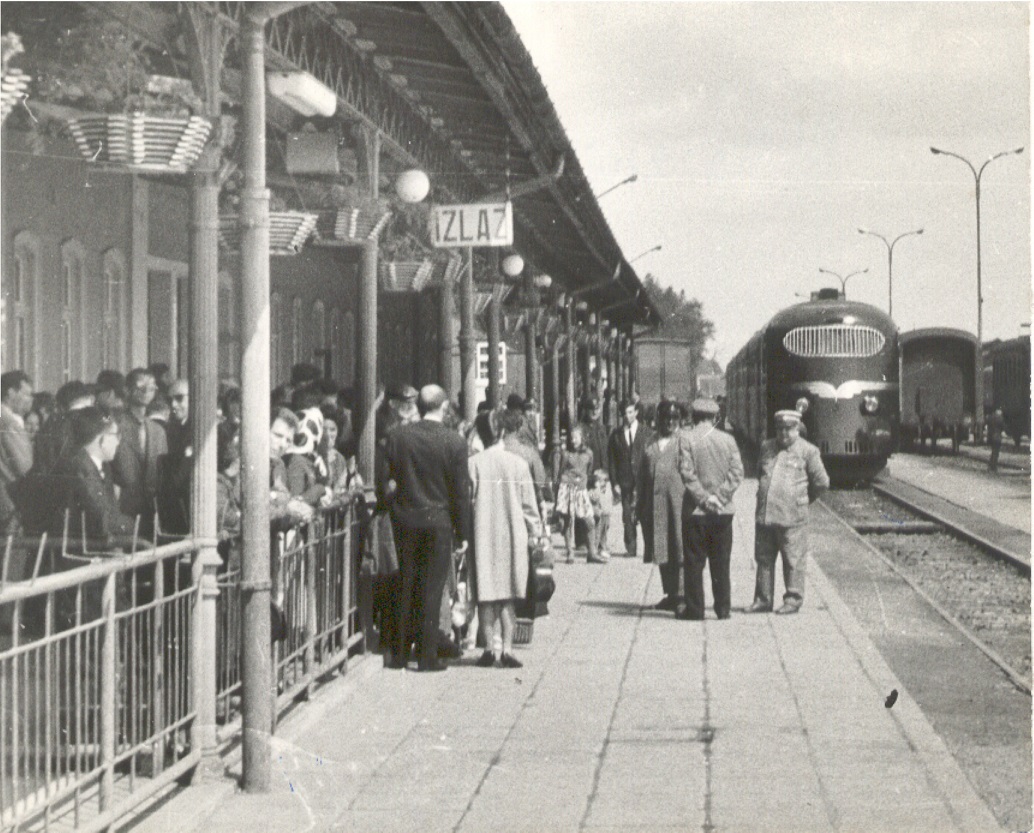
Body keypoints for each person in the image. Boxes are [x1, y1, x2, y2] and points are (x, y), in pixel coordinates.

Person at [385, 384, 472, 672]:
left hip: (405, 520)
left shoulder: (398, 438)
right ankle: (426, 655)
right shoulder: (455, 443)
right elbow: (460, 493)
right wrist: (463, 533)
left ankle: (397, 654)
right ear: (444, 407)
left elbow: (389, 480)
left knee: (405, 583)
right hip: (438, 522)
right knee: (432, 589)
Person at [468, 410, 543, 669]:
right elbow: (530, 507)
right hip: (512, 535)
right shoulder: (518, 464)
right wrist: (536, 535)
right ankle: (508, 648)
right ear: (502, 432)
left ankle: (489, 648)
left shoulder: (474, 463)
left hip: (483, 534)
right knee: (508, 594)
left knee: (486, 594)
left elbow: (468, 501)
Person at [746, 410, 829, 615]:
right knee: (763, 558)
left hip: (793, 517)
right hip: (766, 515)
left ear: (797, 429)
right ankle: (763, 600)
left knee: (793, 559)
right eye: (780, 429)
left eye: (789, 429)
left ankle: (793, 600)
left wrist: (803, 500)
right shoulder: (767, 447)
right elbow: (760, 472)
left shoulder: (808, 451)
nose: (784, 434)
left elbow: (822, 482)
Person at [677, 398, 744, 621]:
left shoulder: (686, 438)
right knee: (721, 561)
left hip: (696, 512)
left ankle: (695, 610)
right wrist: (719, 497)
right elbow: (737, 473)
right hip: (722, 512)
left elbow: (687, 474)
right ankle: (723, 609)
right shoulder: (728, 440)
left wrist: (704, 499)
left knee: (694, 562)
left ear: (694, 417)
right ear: (715, 417)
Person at [55, 406, 136, 552]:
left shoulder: (100, 467)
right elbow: (103, 521)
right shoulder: (80, 470)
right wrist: (135, 525)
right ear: (102, 439)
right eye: (117, 435)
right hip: (81, 560)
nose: (119, 442)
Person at [636, 401, 688, 612]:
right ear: (659, 420)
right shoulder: (650, 444)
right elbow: (641, 476)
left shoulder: (683, 443)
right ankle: (670, 593)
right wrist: (638, 505)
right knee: (662, 549)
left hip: (677, 506)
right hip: (655, 506)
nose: (670, 422)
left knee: (679, 548)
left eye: (674, 419)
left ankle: (682, 594)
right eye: (666, 418)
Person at [111, 368, 168, 539]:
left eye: (151, 386)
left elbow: (162, 473)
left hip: (152, 512)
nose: (146, 390)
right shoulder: (116, 426)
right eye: (140, 385)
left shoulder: (158, 431)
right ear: (127, 390)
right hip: (123, 510)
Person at [553, 425, 603, 563]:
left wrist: (592, 485)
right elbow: (560, 472)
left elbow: (589, 471)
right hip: (567, 489)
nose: (573, 440)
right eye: (572, 438)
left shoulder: (589, 454)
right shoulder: (565, 454)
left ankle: (592, 553)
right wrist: (557, 493)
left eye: (576, 437)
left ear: (582, 438)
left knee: (589, 521)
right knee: (567, 521)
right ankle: (570, 552)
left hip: (581, 490)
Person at [608, 398, 649, 559]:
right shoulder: (616, 435)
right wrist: (614, 483)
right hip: (625, 481)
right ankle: (631, 548)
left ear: (636, 412)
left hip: (642, 482)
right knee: (627, 516)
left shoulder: (646, 432)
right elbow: (611, 461)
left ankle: (649, 549)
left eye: (630, 412)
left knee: (644, 516)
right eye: (624, 413)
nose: (627, 416)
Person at [0, 370, 34, 537]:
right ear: (11, 392)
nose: (30, 400)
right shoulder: (8, 424)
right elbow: (26, 467)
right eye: (26, 394)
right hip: (10, 505)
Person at [988, 408, 1005, 473]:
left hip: (991, 436)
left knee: (993, 451)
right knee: (996, 452)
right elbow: (1003, 428)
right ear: (999, 411)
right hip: (997, 437)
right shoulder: (1000, 419)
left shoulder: (991, 418)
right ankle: (993, 466)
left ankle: (990, 465)